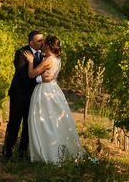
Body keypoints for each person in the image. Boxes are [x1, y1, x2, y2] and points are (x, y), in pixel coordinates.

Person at [23, 35, 85, 163]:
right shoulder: (57, 59)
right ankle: (59, 150)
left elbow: (31, 74)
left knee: (42, 120)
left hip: (44, 91)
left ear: (48, 45)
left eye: (44, 43)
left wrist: (30, 60)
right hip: (54, 89)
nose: (42, 45)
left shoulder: (48, 60)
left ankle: (46, 153)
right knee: (53, 120)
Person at [3, 30, 44, 160]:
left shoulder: (43, 55)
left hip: (33, 95)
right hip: (19, 95)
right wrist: (40, 78)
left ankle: (22, 152)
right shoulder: (21, 53)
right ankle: (8, 151)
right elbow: (23, 76)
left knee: (28, 124)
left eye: (43, 40)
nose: (42, 42)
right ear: (31, 42)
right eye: (39, 41)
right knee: (14, 123)